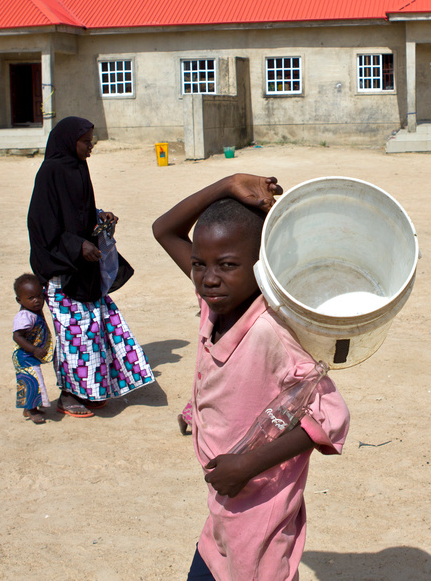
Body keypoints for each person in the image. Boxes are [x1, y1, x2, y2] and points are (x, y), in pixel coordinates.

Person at [152, 174, 349, 581]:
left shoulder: (269, 332)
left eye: (226, 265)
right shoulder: (217, 304)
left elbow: (332, 415)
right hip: (225, 504)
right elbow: (164, 229)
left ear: (262, 267)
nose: (208, 278)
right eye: (198, 264)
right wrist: (227, 184)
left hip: (260, 508)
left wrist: (246, 465)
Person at [27, 116, 154, 418]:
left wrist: (99, 218)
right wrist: (76, 245)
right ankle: (68, 393)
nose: (91, 146)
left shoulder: (78, 169)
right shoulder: (50, 174)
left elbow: (78, 215)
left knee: (94, 332)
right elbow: (44, 226)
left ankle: (90, 389)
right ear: (69, 142)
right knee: (75, 336)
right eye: (86, 141)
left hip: (85, 270)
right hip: (63, 272)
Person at [12, 273, 53, 424]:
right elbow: (17, 336)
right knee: (33, 382)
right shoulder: (24, 316)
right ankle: (32, 411)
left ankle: (28, 408)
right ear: (19, 300)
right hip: (25, 356)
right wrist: (34, 350)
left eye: (39, 296)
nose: (37, 301)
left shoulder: (34, 311)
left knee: (30, 381)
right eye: (31, 298)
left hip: (29, 356)